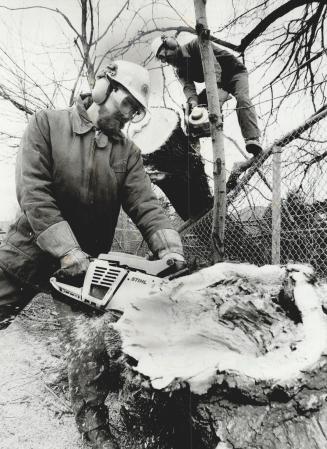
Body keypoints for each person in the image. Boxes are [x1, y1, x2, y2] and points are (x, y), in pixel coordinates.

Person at [0, 60, 186, 449]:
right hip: (27, 254)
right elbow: (34, 192)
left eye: (137, 111)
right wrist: (67, 249)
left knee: (90, 345)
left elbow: (147, 206)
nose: (131, 115)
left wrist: (170, 250)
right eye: (128, 104)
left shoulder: (127, 153)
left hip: (85, 271)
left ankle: (95, 430)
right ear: (104, 87)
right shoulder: (47, 124)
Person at [152, 35, 263, 156]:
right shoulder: (180, 70)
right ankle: (194, 151)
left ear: (172, 45)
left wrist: (214, 97)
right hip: (216, 83)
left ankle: (252, 139)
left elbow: (214, 67)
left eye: (165, 56)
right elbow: (188, 88)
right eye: (163, 60)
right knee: (191, 112)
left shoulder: (197, 45)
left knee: (242, 98)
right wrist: (193, 104)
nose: (167, 61)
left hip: (234, 73)